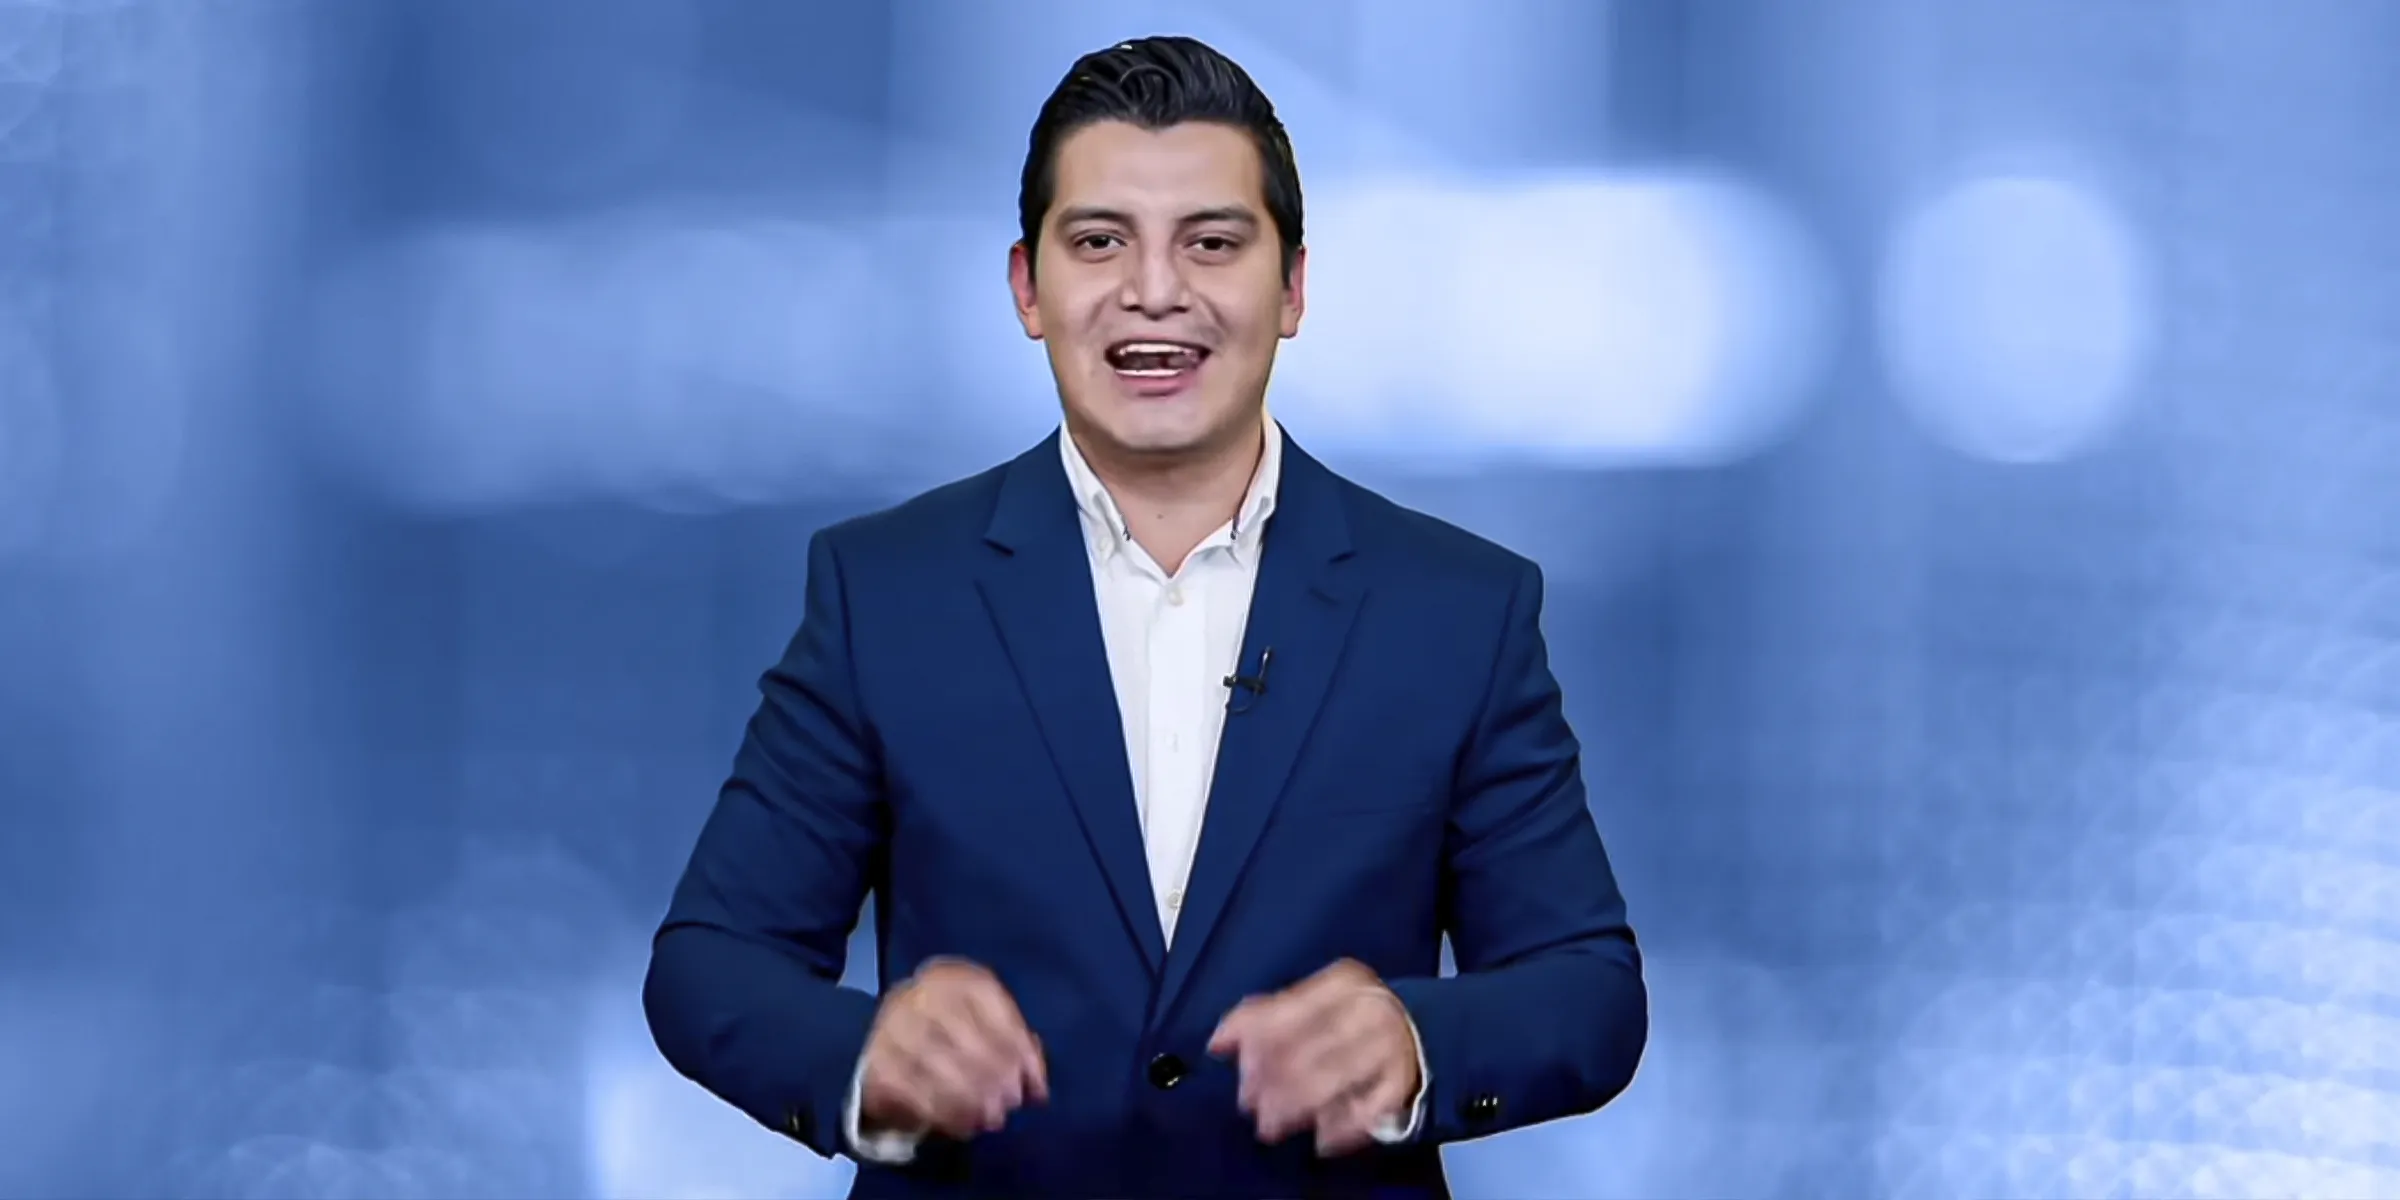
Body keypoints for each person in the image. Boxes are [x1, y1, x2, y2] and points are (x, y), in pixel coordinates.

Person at [644, 33, 1647, 1199]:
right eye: (1099, 242)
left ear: (1293, 288)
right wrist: (868, 1055)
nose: (1155, 291)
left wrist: (1417, 1042)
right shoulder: (885, 593)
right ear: (1027, 288)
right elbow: (711, 966)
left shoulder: (1457, 610)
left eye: (1211, 243)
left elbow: (1589, 990)